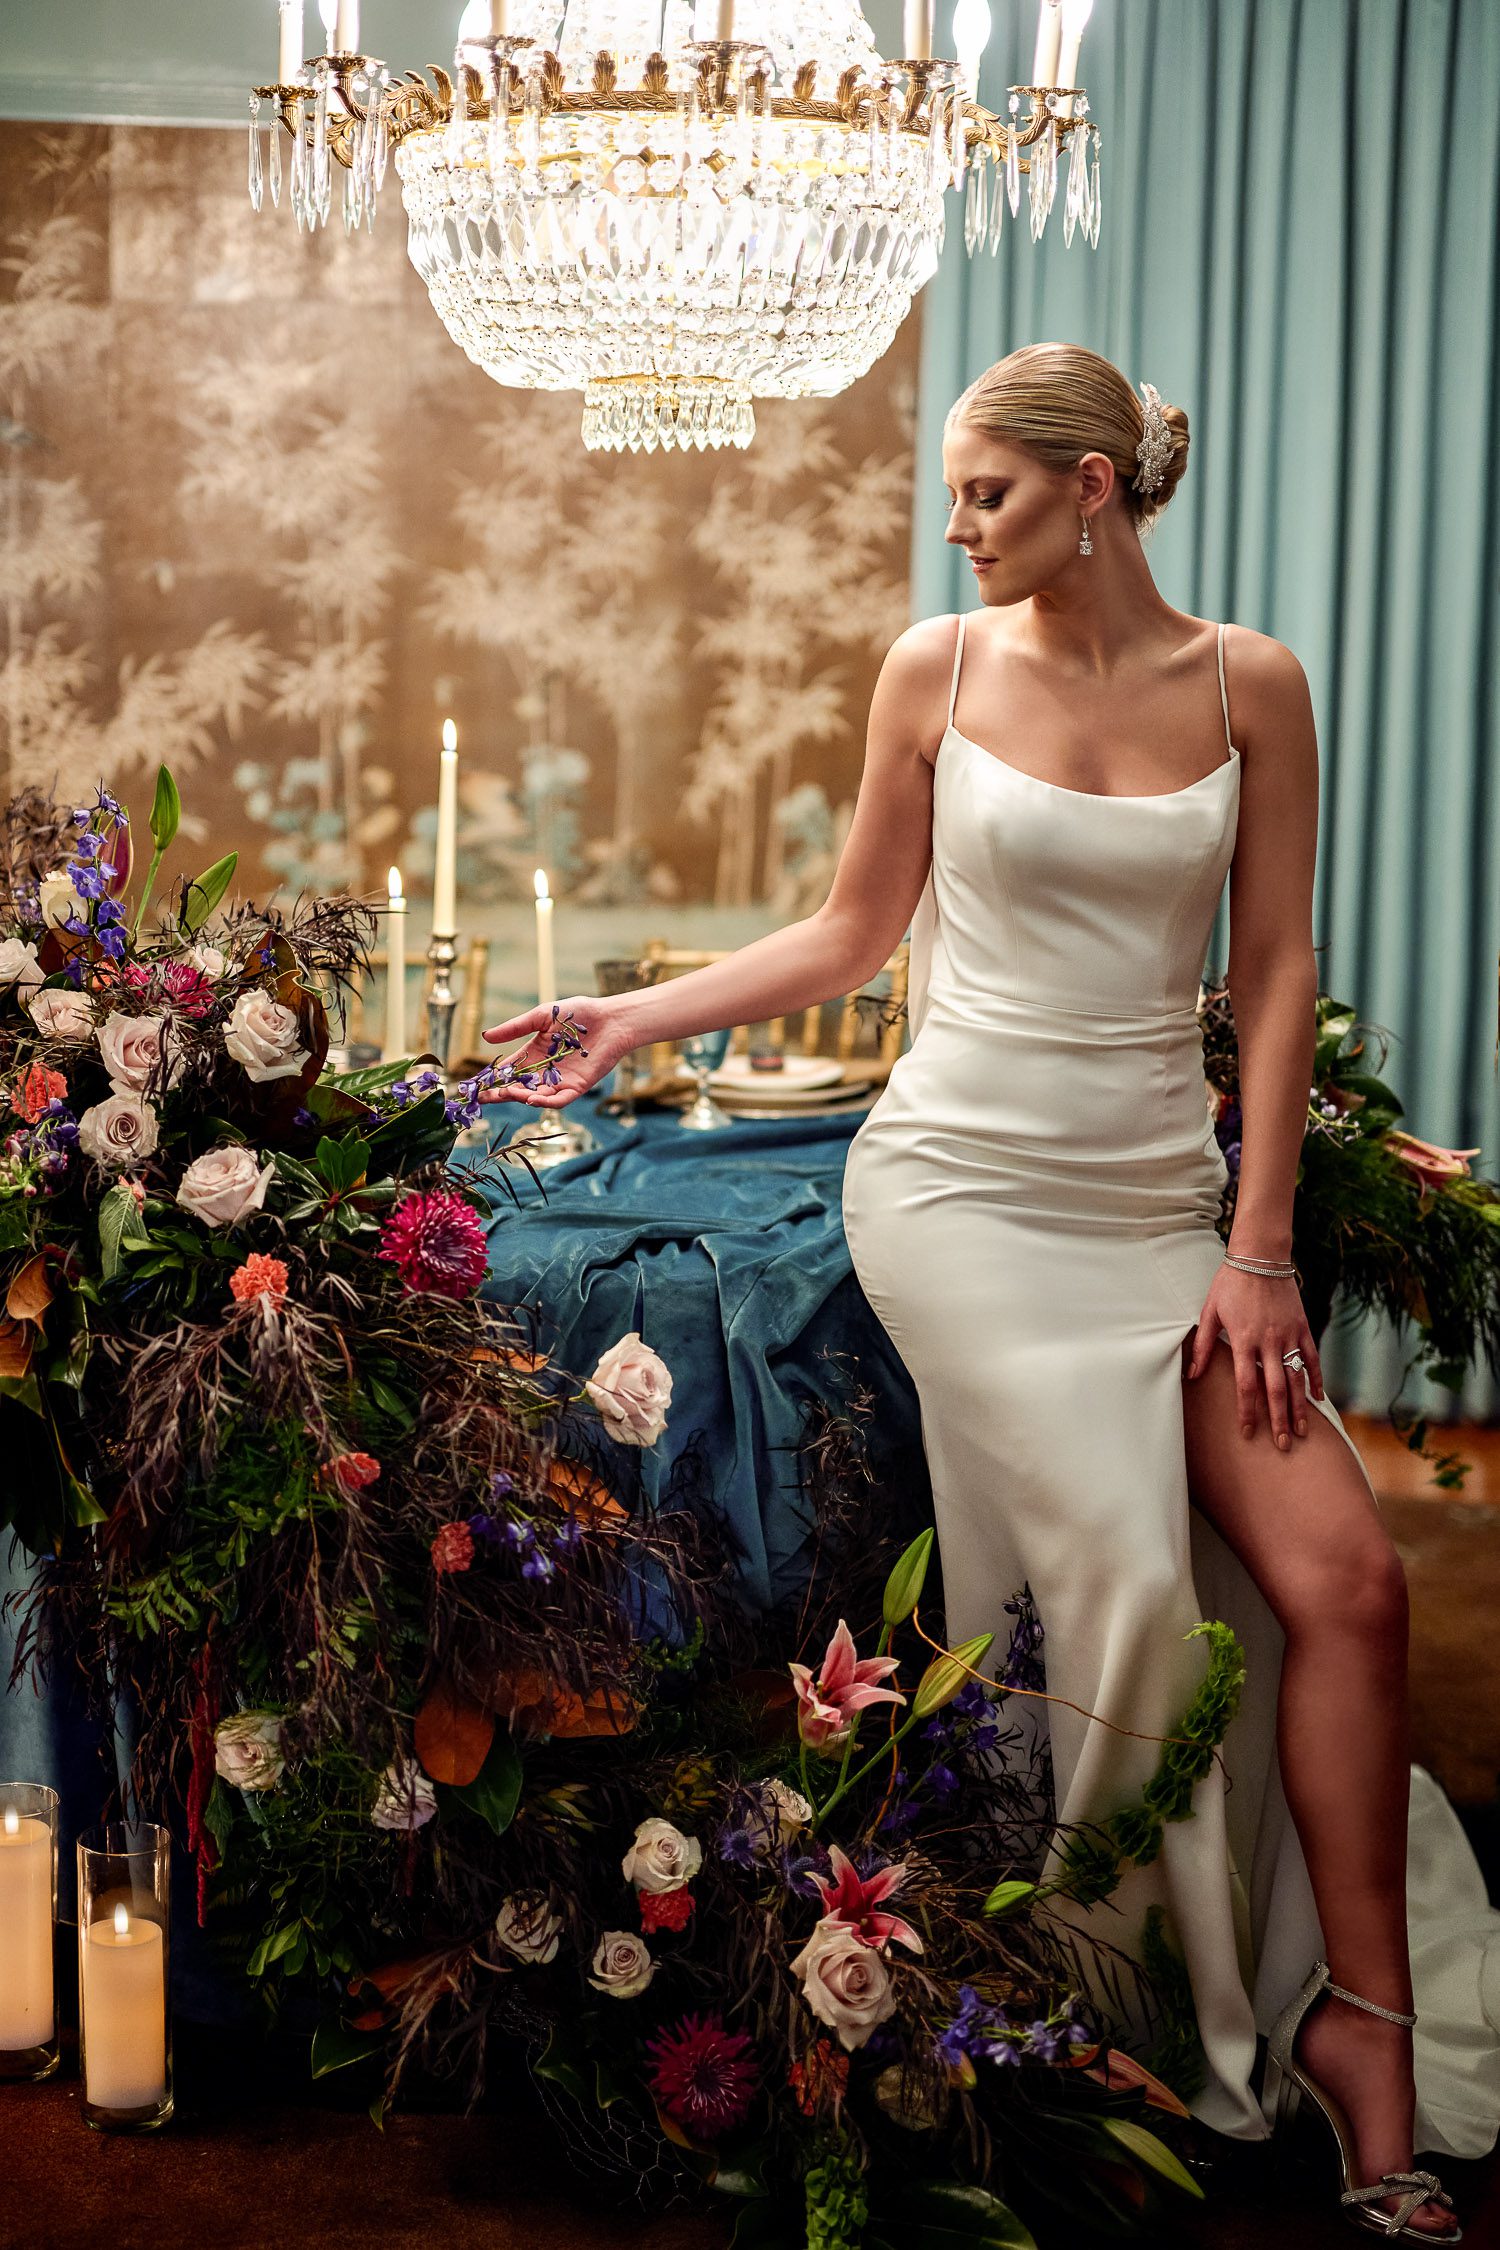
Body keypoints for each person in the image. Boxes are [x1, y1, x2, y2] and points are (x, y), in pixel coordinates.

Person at [482, 344, 1494, 2237]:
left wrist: (1260, 1248)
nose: (956, 528)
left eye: (991, 494)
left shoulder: (1250, 683)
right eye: (954, 497)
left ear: (1098, 484)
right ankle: (1093, 2002)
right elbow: (857, 929)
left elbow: (1270, 974)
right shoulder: (932, 670)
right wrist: (632, 1009)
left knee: (1347, 1578)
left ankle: (1365, 2020)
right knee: (1120, 1579)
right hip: (957, 1189)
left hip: (1160, 1203)